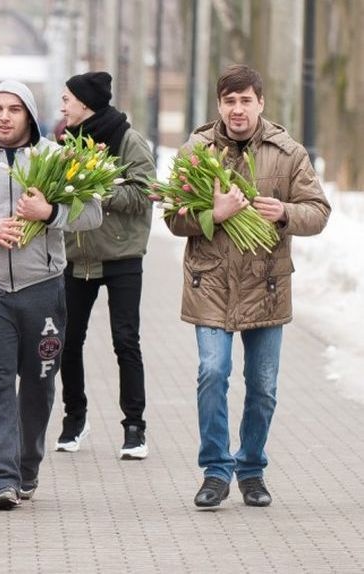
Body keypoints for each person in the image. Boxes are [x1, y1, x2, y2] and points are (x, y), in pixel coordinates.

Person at [166, 65, 329, 508]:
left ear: (260, 103)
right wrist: (213, 215)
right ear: (219, 105)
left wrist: (284, 214)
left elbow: (318, 211)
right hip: (211, 283)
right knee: (212, 373)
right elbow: (173, 218)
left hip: (266, 284)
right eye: (229, 101)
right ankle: (216, 470)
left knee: (262, 386)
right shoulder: (197, 150)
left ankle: (252, 468)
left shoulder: (287, 152)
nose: (237, 109)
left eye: (245, 100)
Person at [0, 81, 102, 510]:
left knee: (39, 385)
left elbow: (93, 214)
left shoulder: (55, 158)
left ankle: (28, 465)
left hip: (42, 290)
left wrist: (49, 214)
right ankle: (2, 479)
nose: (4, 117)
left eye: (14, 109)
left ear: (29, 114)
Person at [55, 72, 155, 459]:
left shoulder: (127, 139)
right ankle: (74, 418)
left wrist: (97, 189)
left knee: (125, 341)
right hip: (77, 254)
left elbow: (145, 191)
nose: (63, 106)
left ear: (85, 102)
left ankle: (134, 428)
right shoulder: (65, 141)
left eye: (68, 99)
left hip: (121, 255)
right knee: (67, 341)